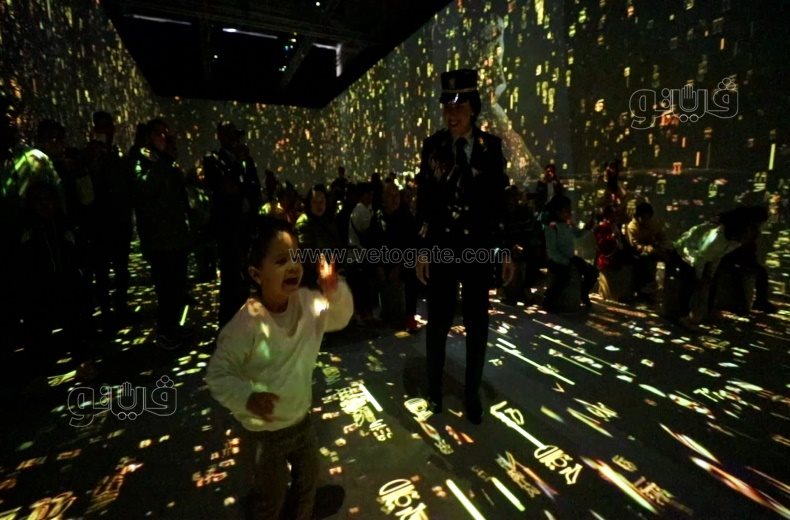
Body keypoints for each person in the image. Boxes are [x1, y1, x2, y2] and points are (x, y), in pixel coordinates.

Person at [206, 216, 353, 520]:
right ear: (256, 274)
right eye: (281, 260)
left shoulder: (307, 304)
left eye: (296, 257)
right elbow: (218, 373)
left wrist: (333, 292)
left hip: (301, 420)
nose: (293, 266)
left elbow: (339, 317)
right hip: (265, 432)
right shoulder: (246, 324)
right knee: (271, 496)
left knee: (307, 482)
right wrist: (247, 397)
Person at [415, 68, 513, 424]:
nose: (451, 113)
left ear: (473, 107)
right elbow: (425, 201)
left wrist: (503, 249)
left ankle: (471, 393)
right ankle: (434, 389)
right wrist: (422, 248)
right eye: (447, 106)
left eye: (458, 106)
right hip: (442, 247)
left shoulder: (491, 148)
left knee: (477, 323)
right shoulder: (433, 146)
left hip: (477, 248)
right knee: (438, 323)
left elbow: (499, 204)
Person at [670, 207, 763, 330]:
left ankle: (707, 311)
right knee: (690, 279)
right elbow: (701, 258)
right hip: (685, 251)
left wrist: (709, 275)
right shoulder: (718, 237)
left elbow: (716, 257)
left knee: (710, 281)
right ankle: (683, 316)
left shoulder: (735, 241)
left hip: (700, 255)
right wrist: (700, 277)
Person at [543, 195, 598, 309]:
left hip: (570, 257)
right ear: (557, 211)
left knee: (592, 272)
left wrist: (587, 228)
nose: (569, 213)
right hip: (556, 261)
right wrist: (566, 262)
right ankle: (549, 300)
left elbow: (577, 234)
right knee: (563, 278)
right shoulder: (551, 227)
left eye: (569, 210)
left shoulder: (567, 224)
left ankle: (584, 293)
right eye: (566, 210)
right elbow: (552, 251)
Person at [626, 202, 672, 299]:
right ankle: (643, 289)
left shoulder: (651, 223)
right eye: (644, 217)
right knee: (644, 261)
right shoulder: (632, 227)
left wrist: (663, 245)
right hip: (636, 254)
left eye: (648, 217)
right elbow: (635, 245)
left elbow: (661, 235)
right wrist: (648, 248)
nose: (646, 220)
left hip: (652, 250)